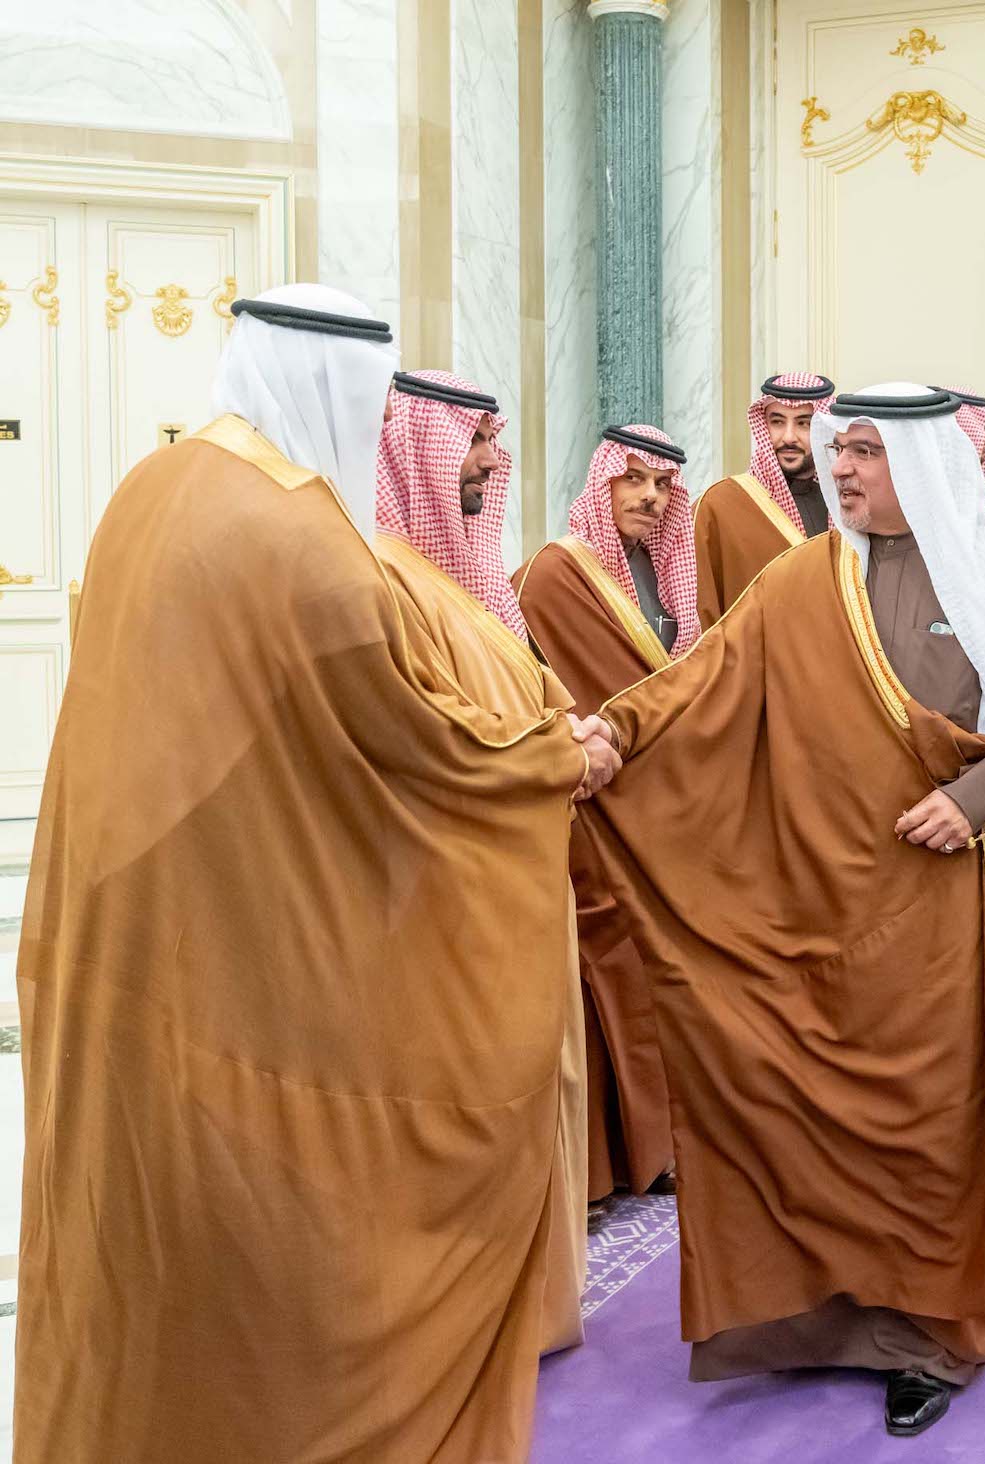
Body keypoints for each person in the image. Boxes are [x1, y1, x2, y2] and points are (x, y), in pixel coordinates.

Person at [15, 285, 617, 1463]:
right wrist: (558, 756)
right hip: (241, 962)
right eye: (374, 401)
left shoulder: (155, 485)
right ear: (334, 386)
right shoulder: (300, 538)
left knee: (136, 1228)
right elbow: (421, 750)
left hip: (124, 942)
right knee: (282, 1244)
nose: (376, 427)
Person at [568, 382, 985, 1438]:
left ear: (918, 460)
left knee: (933, 1129)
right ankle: (826, 1322)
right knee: (805, 1113)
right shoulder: (808, 574)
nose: (840, 468)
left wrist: (975, 799)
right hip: (817, 900)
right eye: (839, 451)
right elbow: (706, 677)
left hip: (943, 912)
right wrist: (613, 732)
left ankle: (932, 1338)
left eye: (865, 453)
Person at [375, 368, 591, 1353]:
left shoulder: (470, 582)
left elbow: (531, 697)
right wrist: (562, 752)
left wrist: (572, 733)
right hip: (446, 906)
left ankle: (522, 1309)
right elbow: (429, 743)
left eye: (495, 439)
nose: (493, 461)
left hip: (521, 887)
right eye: (474, 440)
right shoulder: (386, 582)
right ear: (416, 447)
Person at [513, 425, 695, 1208]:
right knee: (609, 975)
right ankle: (608, 1162)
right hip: (591, 811)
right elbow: (571, 694)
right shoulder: (558, 573)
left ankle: (660, 1145)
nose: (650, 498)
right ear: (602, 483)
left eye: (663, 484)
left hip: (661, 810)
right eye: (634, 480)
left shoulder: (668, 569)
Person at [693, 372, 835, 629]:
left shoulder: (844, 507)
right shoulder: (719, 505)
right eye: (777, 422)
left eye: (804, 423)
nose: (789, 437)